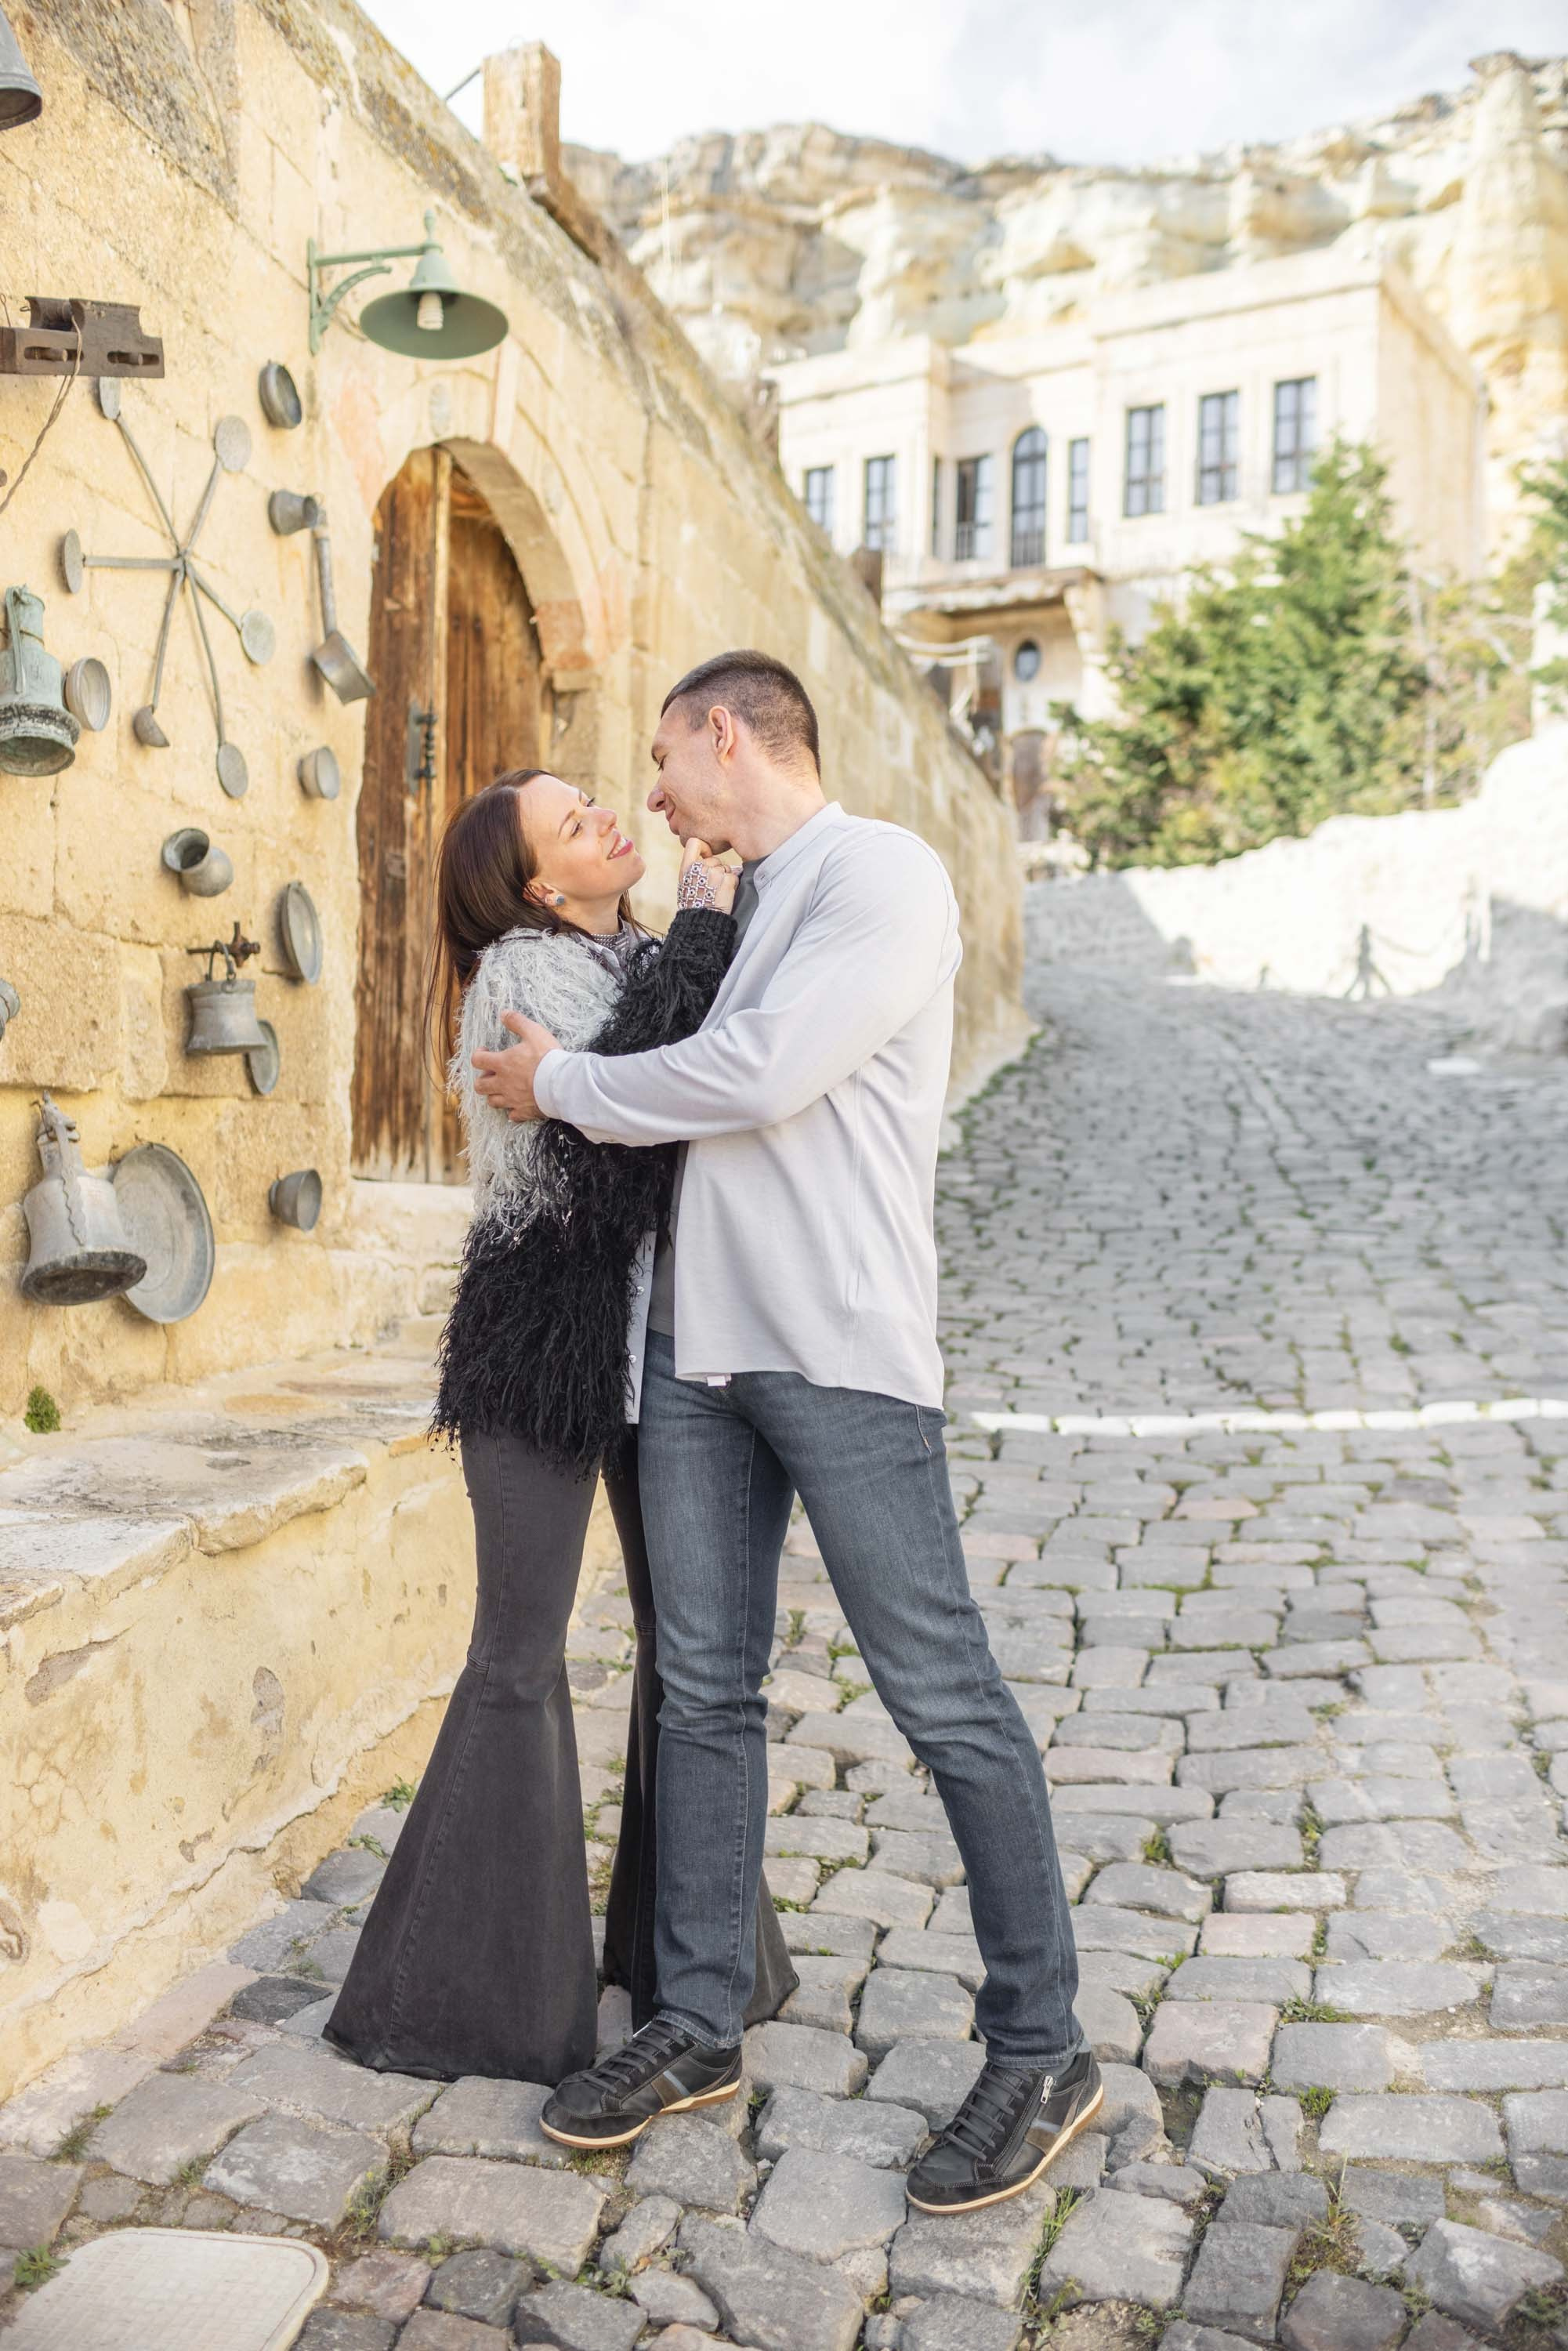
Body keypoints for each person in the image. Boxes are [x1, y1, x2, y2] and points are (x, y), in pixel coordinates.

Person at [470, 654, 1096, 2212]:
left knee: (938, 1687)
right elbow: (702, 1063)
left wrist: (563, 1084)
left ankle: (1041, 2042)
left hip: (836, 1346)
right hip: (696, 1348)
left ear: (721, 736)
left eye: (665, 761)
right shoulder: (746, 905)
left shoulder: (881, 877)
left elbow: (754, 1078)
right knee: (700, 1688)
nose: (658, 794)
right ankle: (694, 2019)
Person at [325, 767, 795, 2088]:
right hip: (539, 1350)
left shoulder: (640, 949)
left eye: (596, 798)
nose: (606, 819)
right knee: (518, 1656)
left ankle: (685, 1959)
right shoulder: (521, 980)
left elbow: (688, 1067)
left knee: (687, 1655)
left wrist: (697, 941)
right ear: (539, 886)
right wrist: (704, 932)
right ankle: (459, 2005)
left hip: (667, 1350)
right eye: (572, 821)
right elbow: (627, 1132)